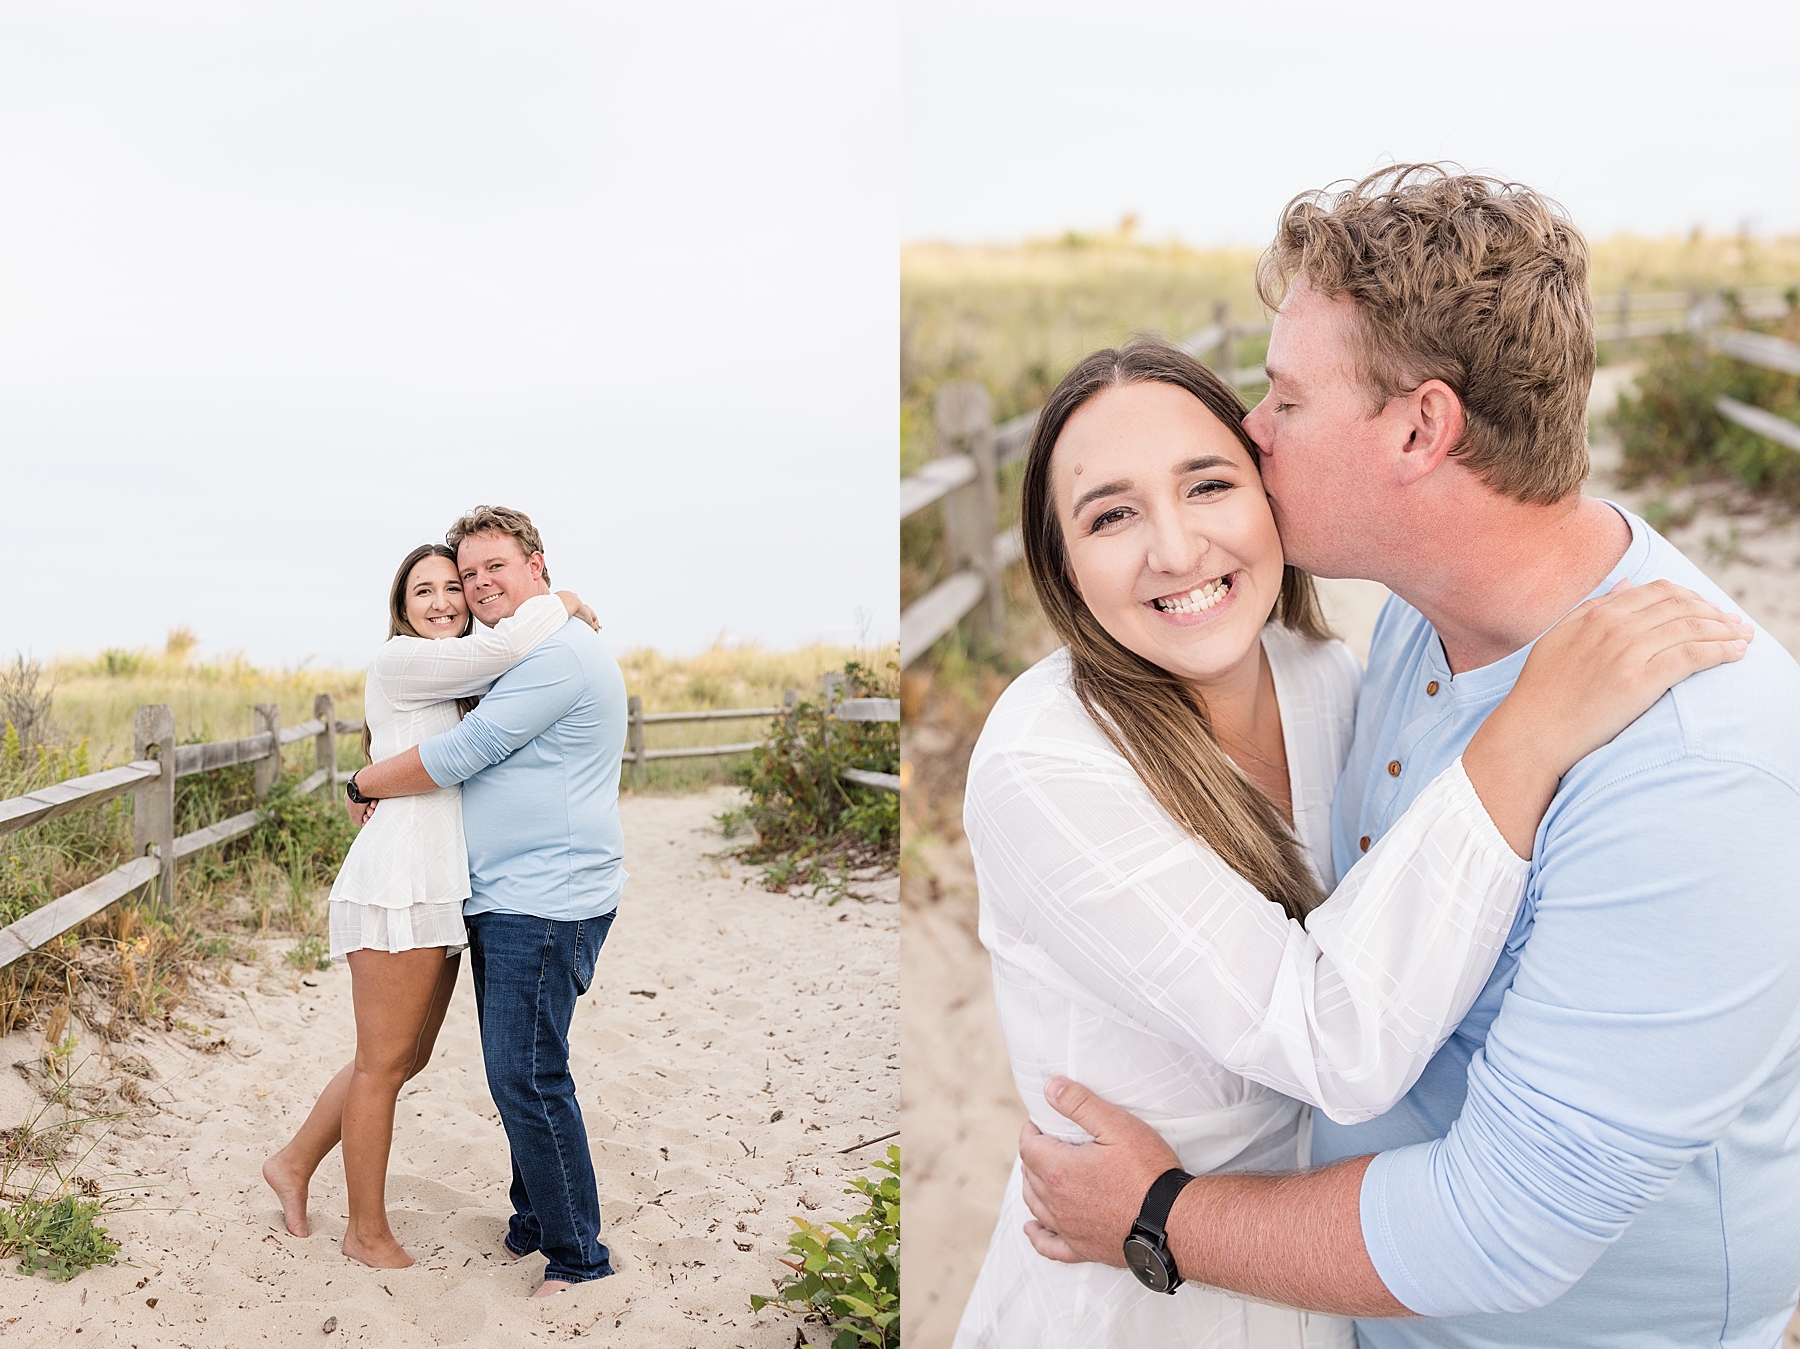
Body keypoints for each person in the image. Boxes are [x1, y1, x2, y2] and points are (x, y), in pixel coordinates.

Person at [1017, 167, 1800, 1348]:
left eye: (1284, 398)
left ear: (1421, 428)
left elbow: (1506, 1226)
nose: (1252, 431)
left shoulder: (1693, 757)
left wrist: (1161, 1214)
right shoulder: (1409, 622)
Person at [262, 541, 594, 1269]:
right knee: (382, 1064)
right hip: (399, 880)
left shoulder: (461, 669)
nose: (445, 599)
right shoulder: (402, 661)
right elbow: (508, 642)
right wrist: (562, 602)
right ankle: (365, 1231)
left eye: (455, 585)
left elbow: (502, 668)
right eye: (426, 590)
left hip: (442, 885)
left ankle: (292, 1161)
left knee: (401, 1057)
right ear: (401, 606)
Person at [343, 505, 629, 1299]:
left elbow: (465, 751)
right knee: (519, 1071)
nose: (474, 586)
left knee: (527, 1077)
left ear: (537, 564)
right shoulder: (509, 649)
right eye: (466, 575)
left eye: (490, 568)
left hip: (543, 900)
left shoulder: (553, 656)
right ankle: (533, 1221)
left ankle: (576, 1256)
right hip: (503, 895)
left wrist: (363, 779)